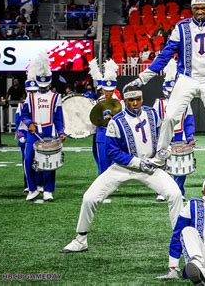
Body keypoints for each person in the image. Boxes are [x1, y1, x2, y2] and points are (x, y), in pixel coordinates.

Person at [127, 0, 205, 172]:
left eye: (203, 8)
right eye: (196, 8)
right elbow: (165, 55)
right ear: (191, 9)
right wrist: (142, 78)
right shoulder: (181, 27)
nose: (199, 11)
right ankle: (161, 154)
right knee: (169, 117)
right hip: (186, 78)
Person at [61, 86, 184, 253]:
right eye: (130, 100)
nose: (135, 103)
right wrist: (137, 163)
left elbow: (163, 136)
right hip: (122, 168)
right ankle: (80, 240)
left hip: (149, 167)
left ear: (142, 99)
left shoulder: (152, 114)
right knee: (89, 197)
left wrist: (165, 150)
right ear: (124, 101)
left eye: (138, 99)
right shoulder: (116, 121)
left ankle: (179, 240)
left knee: (175, 194)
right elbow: (112, 151)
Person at [20, 53, 66, 202]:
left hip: (49, 131)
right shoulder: (30, 97)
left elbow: (58, 118)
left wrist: (60, 132)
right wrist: (29, 124)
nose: (43, 88)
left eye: (46, 86)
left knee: (49, 161)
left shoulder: (56, 97)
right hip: (33, 132)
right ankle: (32, 189)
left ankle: (48, 190)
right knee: (28, 160)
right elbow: (24, 115)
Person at [153, 58, 195, 201]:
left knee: (180, 166)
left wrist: (190, 137)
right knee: (162, 165)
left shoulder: (185, 103)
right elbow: (154, 124)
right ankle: (162, 191)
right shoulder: (158, 103)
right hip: (163, 139)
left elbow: (189, 121)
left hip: (180, 138)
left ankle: (179, 191)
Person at [89, 58, 122, 175]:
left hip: (115, 135)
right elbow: (94, 119)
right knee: (102, 161)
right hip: (102, 134)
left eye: (111, 90)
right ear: (102, 89)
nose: (108, 93)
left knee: (114, 162)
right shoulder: (98, 101)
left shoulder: (119, 102)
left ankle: (113, 183)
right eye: (106, 90)